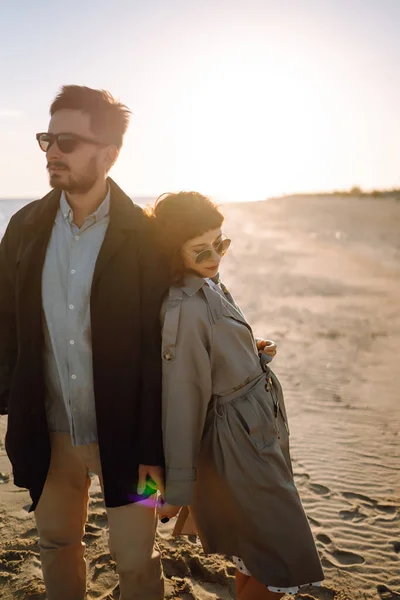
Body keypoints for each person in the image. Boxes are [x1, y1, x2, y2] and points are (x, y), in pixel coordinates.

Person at [0, 85, 167, 600]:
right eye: (47, 138)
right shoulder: (24, 226)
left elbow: (164, 350)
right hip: (46, 436)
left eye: (67, 141)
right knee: (55, 542)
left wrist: (157, 451)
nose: (52, 151)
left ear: (109, 153)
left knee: (138, 559)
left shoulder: (147, 238)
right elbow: (5, 324)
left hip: (137, 446)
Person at [151, 192, 324, 599]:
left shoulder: (208, 283)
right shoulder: (186, 309)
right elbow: (183, 398)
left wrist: (250, 352)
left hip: (256, 431)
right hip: (238, 445)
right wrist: (176, 491)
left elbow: (216, 355)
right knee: (279, 559)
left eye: (221, 243)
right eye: (201, 249)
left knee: (256, 554)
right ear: (173, 250)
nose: (215, 256)